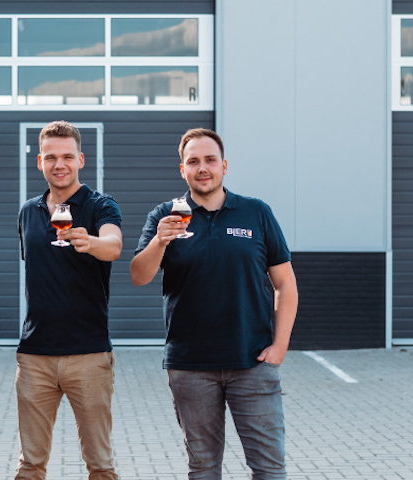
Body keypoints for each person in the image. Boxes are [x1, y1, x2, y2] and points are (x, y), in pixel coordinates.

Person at [130, 128, 298, 479]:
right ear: (182, 170)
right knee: (204, 468)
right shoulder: (165, 215)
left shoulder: (256, 212)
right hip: (191, 367)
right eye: (193, 161)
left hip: (252, 362)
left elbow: (285, 283)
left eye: (210, 160)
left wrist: (280, 346)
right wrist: (159, 241)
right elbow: (139, 276)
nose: (202, 168)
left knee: (269, 468)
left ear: (224, 166)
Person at [15, 120, 123, 480]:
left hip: (88, 354)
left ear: (81, 160)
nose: (58, 164)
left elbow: (114, 246)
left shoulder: (100, 205)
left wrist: (89, 242)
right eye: (50, 157)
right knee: (30, 466)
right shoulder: (28, 212)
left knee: (100, 466)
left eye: (67, 156)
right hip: (35, 356)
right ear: (40, 162)